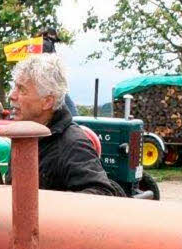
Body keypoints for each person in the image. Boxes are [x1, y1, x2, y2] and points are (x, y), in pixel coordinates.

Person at [7, 54, 121, 195]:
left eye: (22, 90)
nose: (12, 95)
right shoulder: (27, 136)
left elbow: (102, 193)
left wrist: (48, 207)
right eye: (14, 87)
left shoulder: (73, 144)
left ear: (47, 102)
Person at [39, 29, 79, 115]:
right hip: (49, 79)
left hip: (41, 80)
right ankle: (76, 120)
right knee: (65, 100)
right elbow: (50, 63)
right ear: (50, 35)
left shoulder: (37, 45)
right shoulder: (47, 44)